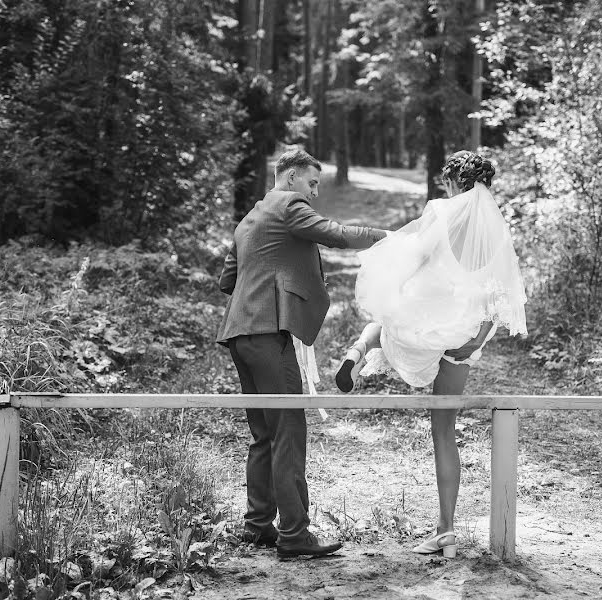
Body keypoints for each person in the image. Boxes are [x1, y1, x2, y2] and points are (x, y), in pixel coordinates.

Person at [335, 150, 528, 558]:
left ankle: (358, 350)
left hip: (432, 323)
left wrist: (392, 289)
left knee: (384, 323)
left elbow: (415, 258)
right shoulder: (496, 228)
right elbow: (501, 290)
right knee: (445, 431)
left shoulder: (442, 212)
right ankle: (446, 530)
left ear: (454, 183)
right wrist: (478, 338)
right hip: (466, 335)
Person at [216, 148, 387, 558]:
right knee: (289, 431)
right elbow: (336, 234)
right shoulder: (288, 204)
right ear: (290, 177)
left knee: (264, 434)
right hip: (267, 333)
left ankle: (259, 525)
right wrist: (390, 238)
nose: (313, 193)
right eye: (312, 183)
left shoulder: (249, 219)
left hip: (240, 332)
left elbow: (228, 280)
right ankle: (294, 534)